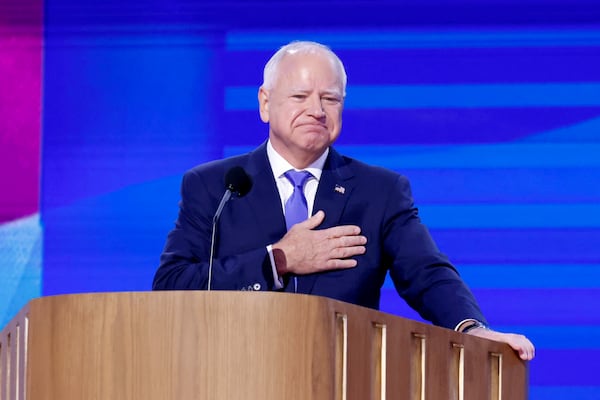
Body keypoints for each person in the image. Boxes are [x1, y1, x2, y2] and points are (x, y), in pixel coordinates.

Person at [153, 41, 535, 361]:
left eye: (330, 99)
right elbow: (172, 284)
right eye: (300, 96)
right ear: (265, 103)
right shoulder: (214, 186)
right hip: (232, 370)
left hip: (342, 375)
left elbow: (427, 273)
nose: (316, 111)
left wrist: (472, 328)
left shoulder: (379, 191)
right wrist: (278, 260)